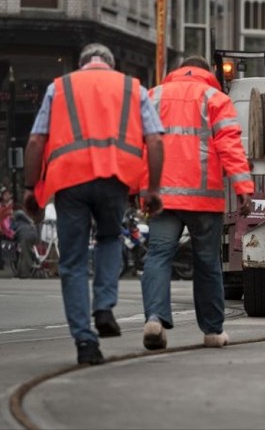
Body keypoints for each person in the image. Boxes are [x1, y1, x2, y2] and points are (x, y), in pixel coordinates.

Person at [23, 43, 164, 365]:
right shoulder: (132, 87)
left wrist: (32, 189)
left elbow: (35, 140)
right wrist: (152, 189)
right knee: (109, 238)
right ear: (111, 65)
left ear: (82, 63)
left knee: (72, 263)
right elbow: (155, 140)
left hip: (69, 182)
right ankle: (103, 305)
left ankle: (85, 343)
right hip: (114, 180)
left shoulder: (58, 88)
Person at [140, 55, 253, 350]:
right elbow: (229, 144)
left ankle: (154, 317)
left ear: (177, 70)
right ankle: (213, 331)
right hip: (203, 198)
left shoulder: (154, 96)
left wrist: (136, 189)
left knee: (158, 255)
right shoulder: (215, 98)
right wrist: (243, 187)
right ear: (208, 73)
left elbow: (140, 145)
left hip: (161, 194)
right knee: (207, 263)